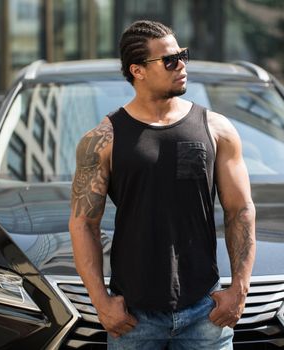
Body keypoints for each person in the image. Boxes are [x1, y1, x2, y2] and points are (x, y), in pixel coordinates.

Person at [69, 20, 256, 349]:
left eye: (183, 55)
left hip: (205, 312)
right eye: (170, 60)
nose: (181, 65)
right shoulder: (103, 140)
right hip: (133, 318)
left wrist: (239, 288)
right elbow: (83, 222)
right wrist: (101, 302)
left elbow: (240, 209)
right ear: (137, 71)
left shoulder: (216, 129)